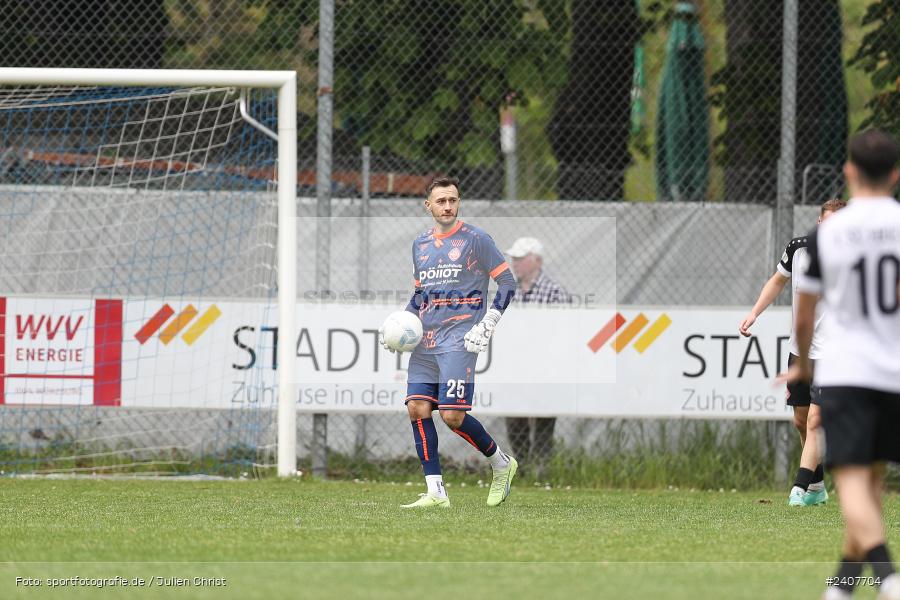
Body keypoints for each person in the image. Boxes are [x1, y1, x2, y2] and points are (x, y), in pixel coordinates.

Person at [779, 129, 900, 600]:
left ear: (849, 171)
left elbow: (805, 316)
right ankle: (843, 586)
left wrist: (801, 369)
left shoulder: (826, 235)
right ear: (894, 174)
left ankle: (888, 577)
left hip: (849, 371)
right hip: (893, 371)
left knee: (850, 481)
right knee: (869, 484)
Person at [379, 174, 518, 509]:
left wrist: (490, 321)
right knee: (417, 407)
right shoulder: (421, 245)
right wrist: (399, 324)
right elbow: (420, 295)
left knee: (452, 416)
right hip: (425, 341)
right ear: (428, 205)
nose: (447, 206)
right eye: (440, 201)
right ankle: (436, 492)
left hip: (460, 339)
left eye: (452, 200)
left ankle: (501, 463)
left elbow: (508, 282)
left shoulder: (475, 239)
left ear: (459, 202)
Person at [739, 198, 846, 506]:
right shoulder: (798, 249)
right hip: (799, 352)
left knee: (816, 420)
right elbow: (777, 281)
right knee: (801, 420)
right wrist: (754, 313)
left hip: (834, 354)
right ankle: (816, 488)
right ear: (819, 224)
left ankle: (798, 488)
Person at [504, 236, 570, 477]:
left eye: (520, 259)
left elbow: (563, 335)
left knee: (543, 424)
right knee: (514, 424)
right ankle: (523, 469)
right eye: (514, 259)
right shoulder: (509, 293)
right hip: (516, 370)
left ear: (537, 261)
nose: (515, 263)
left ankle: (542, 473)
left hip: (546, 371)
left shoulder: (555, 293)